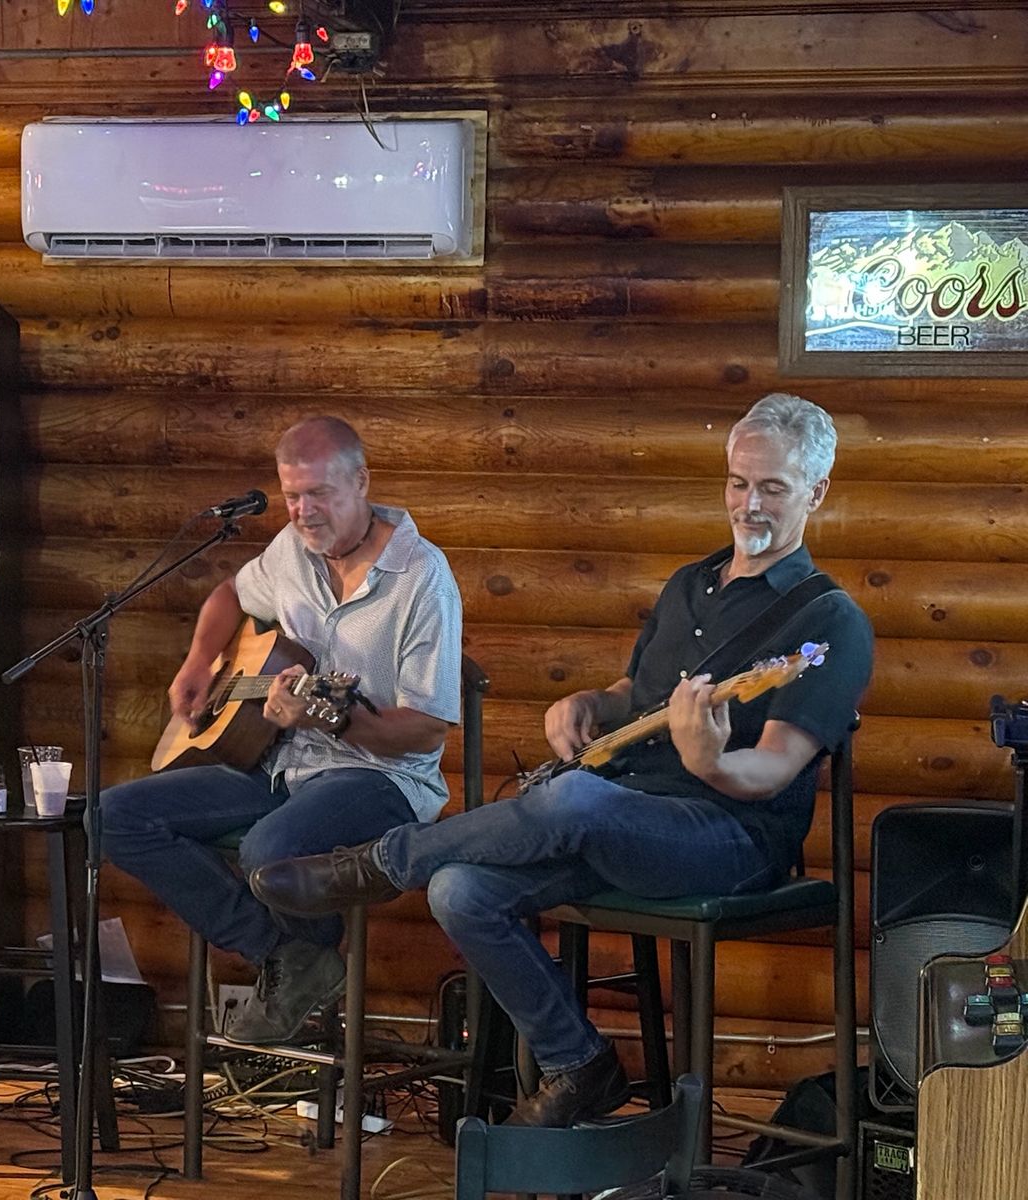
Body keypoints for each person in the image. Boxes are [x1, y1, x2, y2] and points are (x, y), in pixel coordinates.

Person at [249, 393, 874, 1126]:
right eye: (739, 483)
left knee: (573, 799)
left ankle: (378, 863)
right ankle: (580, 1063)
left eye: (773, 488)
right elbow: (637, 695)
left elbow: (770, 771)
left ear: (816, 493)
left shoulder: (830, 621)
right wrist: (590, 703)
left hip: (728, 837)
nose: (749, 504)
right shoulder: (690, 585)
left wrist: (710, 762)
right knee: (459, 889)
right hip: (620, 814)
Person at [102, 416, 463, 1044]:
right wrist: (198, 664)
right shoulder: (292, 550)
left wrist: (327, 715)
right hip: (277, 764)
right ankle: (286, 954)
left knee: (269, 850)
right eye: (292, 495)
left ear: (362, 481)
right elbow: (229, 596)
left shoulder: (422, 577)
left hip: (379, 779)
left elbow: (426, 730)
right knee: (111, 816)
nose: (303, 512)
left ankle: (300, 962)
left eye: (319, 494)